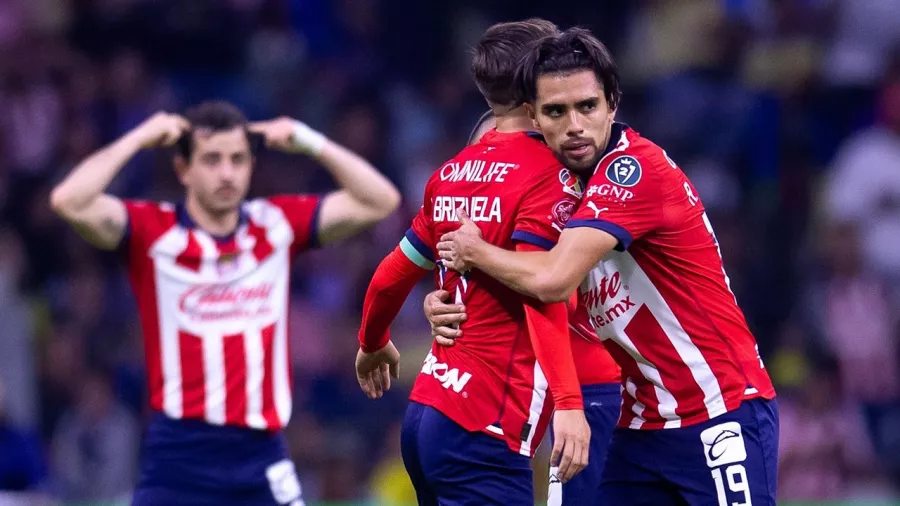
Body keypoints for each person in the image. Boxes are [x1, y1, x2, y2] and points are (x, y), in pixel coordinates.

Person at [437, 28, 779, 506]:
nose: (575, 124)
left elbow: (552, 281)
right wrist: (452, 301)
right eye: (557, 111)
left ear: (612, 104)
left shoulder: (633, 170)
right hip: (638, 424)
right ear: (534, 117)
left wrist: (474, 253)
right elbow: (531, 292)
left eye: (588, 106)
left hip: (718, 409)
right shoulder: (555, 191)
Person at [49, 101, 401, 506]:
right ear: (183, 170)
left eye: (237, 159)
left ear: (251, 165)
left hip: (260, 453)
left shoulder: (276, 224)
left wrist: (308, 140)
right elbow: (68, 201)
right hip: (178, 457)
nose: (227, 173)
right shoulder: (154, 231)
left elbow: (380, 200)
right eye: (211, 160)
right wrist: (138, 139)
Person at [354, 19, 589, 505]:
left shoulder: (449, 174)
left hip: (428, 411)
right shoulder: (550, 176)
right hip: (483, 425)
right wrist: (568, 403)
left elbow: (388, 278)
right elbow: (541, 292)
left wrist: (373, 342)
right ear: (538, 87)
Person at [425, 111, 622, 506]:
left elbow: (551, 292)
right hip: (515, 395)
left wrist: (480, 257)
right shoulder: (472, 224)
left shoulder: (577, 209)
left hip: (587, 390)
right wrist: (439, 304)